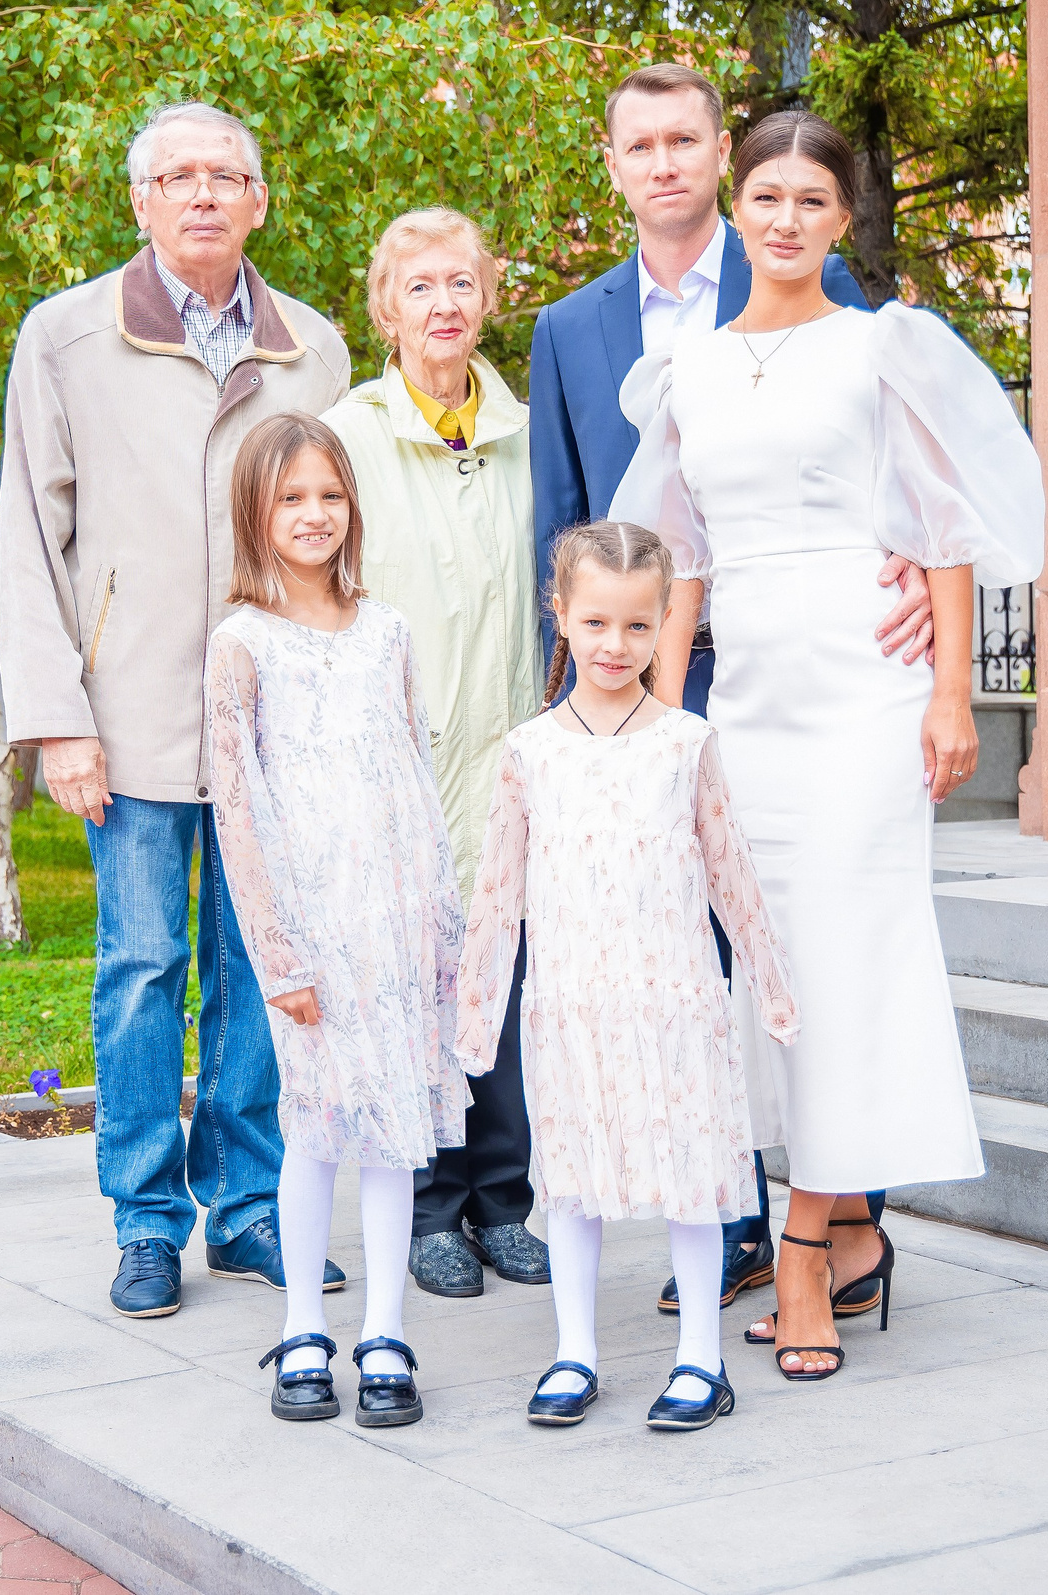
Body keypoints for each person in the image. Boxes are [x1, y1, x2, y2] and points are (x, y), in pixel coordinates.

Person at [614, 109, 1043, 1379]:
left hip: (867, 687)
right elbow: (681, 558)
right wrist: (668, 720)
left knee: (849, 964)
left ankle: (803, 1256)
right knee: (774, 975)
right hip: (748, 702)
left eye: (812, 199)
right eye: (767, 196)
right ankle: (852, 1233)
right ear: (734, 212)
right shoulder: (687, 367)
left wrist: (952, 696)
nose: (786, 218)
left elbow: (943, 530)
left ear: (842, 221)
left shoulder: (878, 349)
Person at [527, 61, 922, 1314]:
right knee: (693, 969)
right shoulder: (568, 329)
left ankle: (817, 1223)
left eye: (684, 140)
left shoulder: (813, 282)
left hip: (815, 669)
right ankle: (738, 1211)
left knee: (802, 944)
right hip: (653, 683)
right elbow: (566, 519)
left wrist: (914, 570)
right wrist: (586, 697)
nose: (662, 164)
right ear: (611, 161)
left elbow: (892, 462)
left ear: (718, 160)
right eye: (638, 144)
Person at [0, 101, 353, 1319]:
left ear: (260, 200)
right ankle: (145, 1219)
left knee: (257, 968)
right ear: (140, 202)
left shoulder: (315, 347)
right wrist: (56, 717)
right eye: (177, 176)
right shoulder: (63, 339)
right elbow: (26, 542)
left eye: (227, 176)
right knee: (143, 968)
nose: (203, 194)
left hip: (278, 720)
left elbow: (338, 535)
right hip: (128, 710)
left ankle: (248, 1209)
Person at [456, 521, 798, 1433]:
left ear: (664, 625)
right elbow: (498, 887)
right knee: (571, 1174)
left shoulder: (685, 742)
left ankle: (700, 1356)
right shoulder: (531, 750)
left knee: (693, 1173)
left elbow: (729, 865)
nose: (616, 646)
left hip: (673, 998)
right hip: (570, 1001)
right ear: (561, 614)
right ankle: (575, 1349)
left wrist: (768, 975)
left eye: (638, 627)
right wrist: (477, 1009)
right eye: (597, 623)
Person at [206, 413, 468, 1429]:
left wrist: (438, 921)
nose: (314, 516)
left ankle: (386, 1329)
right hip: (310, 930)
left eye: (328, 494)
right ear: (255, 515)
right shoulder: (241, 645)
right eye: (290, 499)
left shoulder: (387, 632)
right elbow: (238, 806)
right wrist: (278, 953)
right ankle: (307, 1324)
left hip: (395, 919)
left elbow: (411, 775)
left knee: (394, 1130)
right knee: (314, 1125)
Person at [322, 208, 551, 1300]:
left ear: (488, 297)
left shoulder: (523, 431)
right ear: (385, 308)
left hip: (509, 751)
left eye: (460, 284)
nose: (443, 306)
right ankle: (425, 1207)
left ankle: (502, 1201)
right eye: (419, 288)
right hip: (399, 762)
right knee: (413, 987)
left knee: (499, 983)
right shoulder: (351, 434)